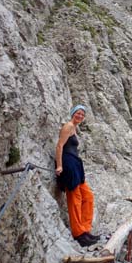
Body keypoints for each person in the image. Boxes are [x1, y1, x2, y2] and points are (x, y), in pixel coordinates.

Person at [55, 104, 98, 247]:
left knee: (87, 196)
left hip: (76, 165)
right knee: (75, 198)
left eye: (82, 114)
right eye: (78, 113)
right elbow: (60, 145)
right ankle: (78, 233)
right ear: (73, 113)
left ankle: (85, 230)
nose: (80, 116)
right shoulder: (67, 126)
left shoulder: (74, 127)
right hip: (68, 165)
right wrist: (59, 165)